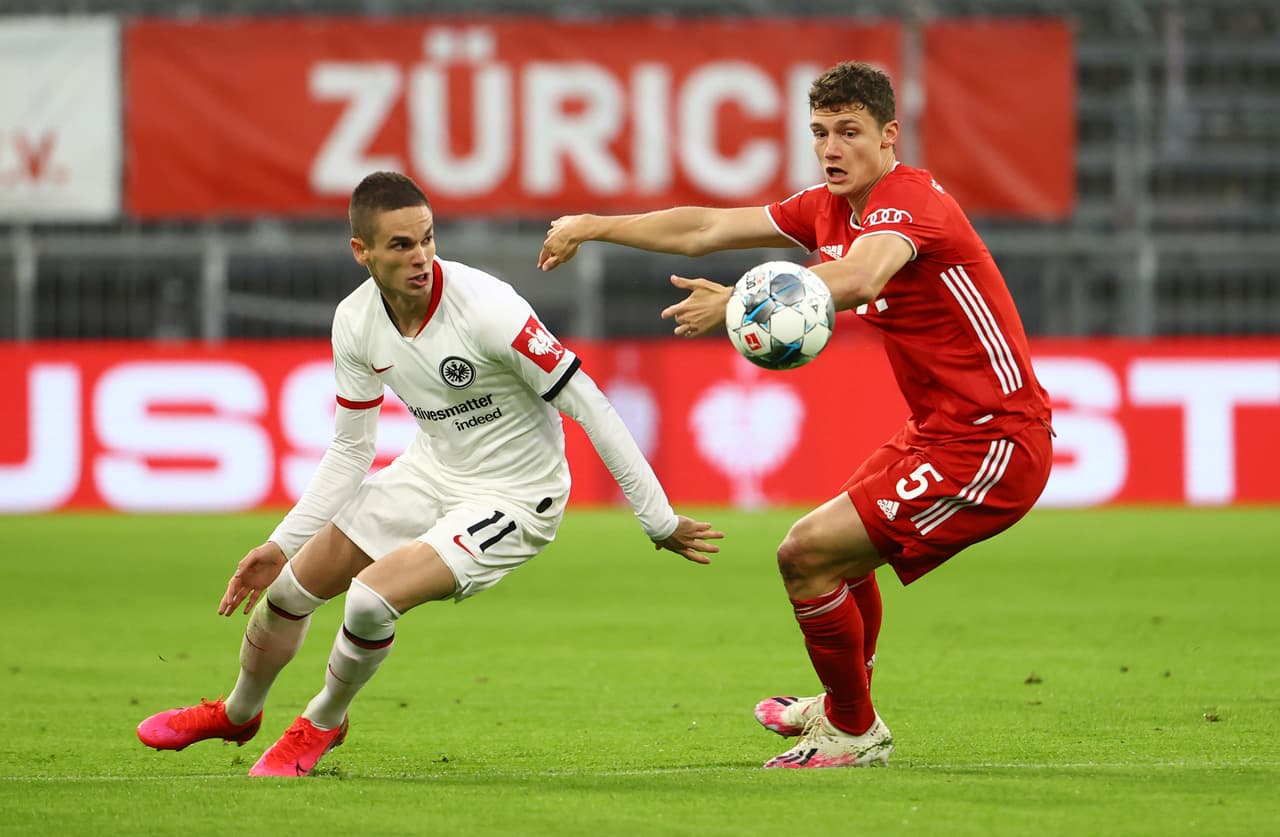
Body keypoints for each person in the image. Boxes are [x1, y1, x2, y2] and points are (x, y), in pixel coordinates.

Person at [538, 61, 1054, 769]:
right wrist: (594, 225)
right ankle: (845, 705)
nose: (832, 147)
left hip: (995, 440)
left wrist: (748, 299)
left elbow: (864, 273)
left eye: (849, 131)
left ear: (888, 135)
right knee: (834, 556)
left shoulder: (909, 201)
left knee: (805, 554)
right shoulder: (825, 208)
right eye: (820, 133)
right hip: (939, 432)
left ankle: (851, 728)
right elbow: (708, 227)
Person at [137, 171, 722, 777]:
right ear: (361, 252)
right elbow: (350, 450)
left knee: (369, 602)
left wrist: (658, 519)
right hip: (430, 470)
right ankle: (238, 713)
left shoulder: (489, 310)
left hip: (517, 497)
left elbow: (591, 405)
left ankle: (322, 721)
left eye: (427, 239)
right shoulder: (355, 321)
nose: (420, 257)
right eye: (400, 245)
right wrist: (280, 545)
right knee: (287, 591)